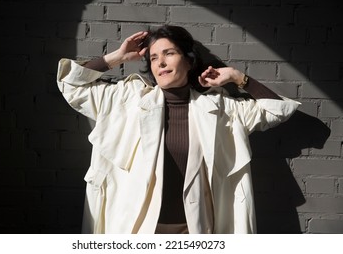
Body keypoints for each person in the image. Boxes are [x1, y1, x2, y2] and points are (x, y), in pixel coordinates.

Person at [56, 25, 299, 234]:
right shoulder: (126, 99)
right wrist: (116, 58)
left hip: (195, 232)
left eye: (169, 53)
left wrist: (238, 78)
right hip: (135, 231)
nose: (160, 62)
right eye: (153, 58)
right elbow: (70, 85)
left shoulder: (220, 109)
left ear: (189, 60)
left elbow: (278, 109)